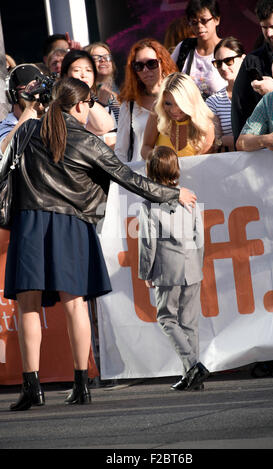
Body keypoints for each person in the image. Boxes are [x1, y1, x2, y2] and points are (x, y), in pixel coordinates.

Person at [0, 77, 197, 411]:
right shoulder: (88, 141)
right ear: (79, 105)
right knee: (75, 306)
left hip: (29, 223)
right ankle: (81, 385)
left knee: (28, 306)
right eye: (89, 103)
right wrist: (173, 193)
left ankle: (31, 387)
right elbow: (130, 179)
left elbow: (4, 170)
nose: (89, 109)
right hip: (71, 226)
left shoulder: (26, 131)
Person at [138, 145, 209, 391]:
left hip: (168, 268)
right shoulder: (189, 197)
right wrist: (198, 265)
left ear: (150, 171)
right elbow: (199, 235)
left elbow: (148, 241)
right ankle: (193, 376)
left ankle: (192, 366)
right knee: (189, 322)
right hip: (191, 265)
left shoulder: (149, 203)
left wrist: (146, 272)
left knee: (167, 318)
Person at [231, 0, 273, 143]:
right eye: (264, 27)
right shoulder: (252, 62)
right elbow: (240, 112)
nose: (269, 33)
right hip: (269, 157)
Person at [114, 38, 177, 163]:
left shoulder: (179, 98)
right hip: (140, 175)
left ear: (163, 63)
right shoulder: (129, 105)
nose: (146, 70)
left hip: (176, 171)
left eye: (151, 63)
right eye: (139, 66)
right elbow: (121, 150)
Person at [141, 72, 217, 159]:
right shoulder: (158, 112)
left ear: (191, 100)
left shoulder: (206, 125)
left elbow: (204, 166)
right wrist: (158, 161)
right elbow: (145, 147)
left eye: (180, 104)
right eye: (168, 103)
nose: (174, 110)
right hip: (161, 172)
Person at [171, 0, 227, 99]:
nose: (199, 26)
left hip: (220, 113)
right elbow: (166, 77)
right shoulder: (184, 47)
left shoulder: (229, 50)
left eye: (204, 20)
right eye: (194, 22)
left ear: (216, 19)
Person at [60, 49, 115, 146]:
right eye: (77, 70)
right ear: (65, 76)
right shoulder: (59, 103)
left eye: (88, 70)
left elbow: (104, 127)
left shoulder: (97, 103)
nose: (83, 75)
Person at [206, 37, 245, 152]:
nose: (223, 67)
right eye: (218, 63)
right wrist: (221, 140)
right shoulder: (213, 101)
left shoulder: (259, 92)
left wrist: (227, 139)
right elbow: (215, 141)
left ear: (243, 59)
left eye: (229, 61)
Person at [0, 64, 45, 154]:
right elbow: (5, 149)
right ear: (13, 95)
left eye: (39, 88)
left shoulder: (53, 120)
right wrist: (31, 107)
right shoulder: (4, 127)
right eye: (29, 89)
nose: (37, 94)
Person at [85, 42, 120, 125]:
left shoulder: (118, 94)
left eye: (107, 57)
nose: (103, 60)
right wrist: (102, 104)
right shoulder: (85, 96)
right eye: (97, 58)